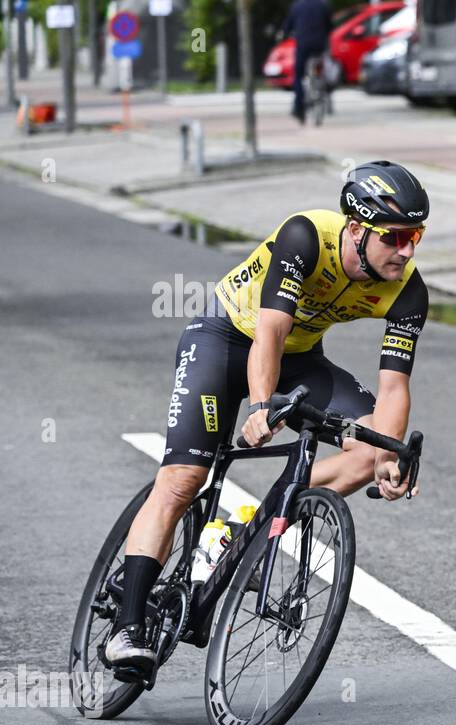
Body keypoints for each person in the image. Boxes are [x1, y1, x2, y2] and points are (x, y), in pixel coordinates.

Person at [104, 161, 431, 677]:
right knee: (184, 477)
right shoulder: (305, 237)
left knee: (368, 450)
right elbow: (269, 333)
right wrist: (258, 407)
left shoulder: (408, 289)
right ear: (356, 229)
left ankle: (244, 530)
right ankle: (126, 629)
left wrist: (389, 455)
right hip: (226, 341)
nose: (408, 250)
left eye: (416, 235)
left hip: (300, 359)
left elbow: (394, 388)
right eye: (396, 237)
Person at [282, 0, 334, 124]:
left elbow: (287, 27)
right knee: (321, 68)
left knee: (298, 75)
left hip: (303, 45)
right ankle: (324, 91)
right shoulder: (323, 5)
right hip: (319, 46)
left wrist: (285, 35)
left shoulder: (297, 6)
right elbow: (330, 26)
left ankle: (299, 107)